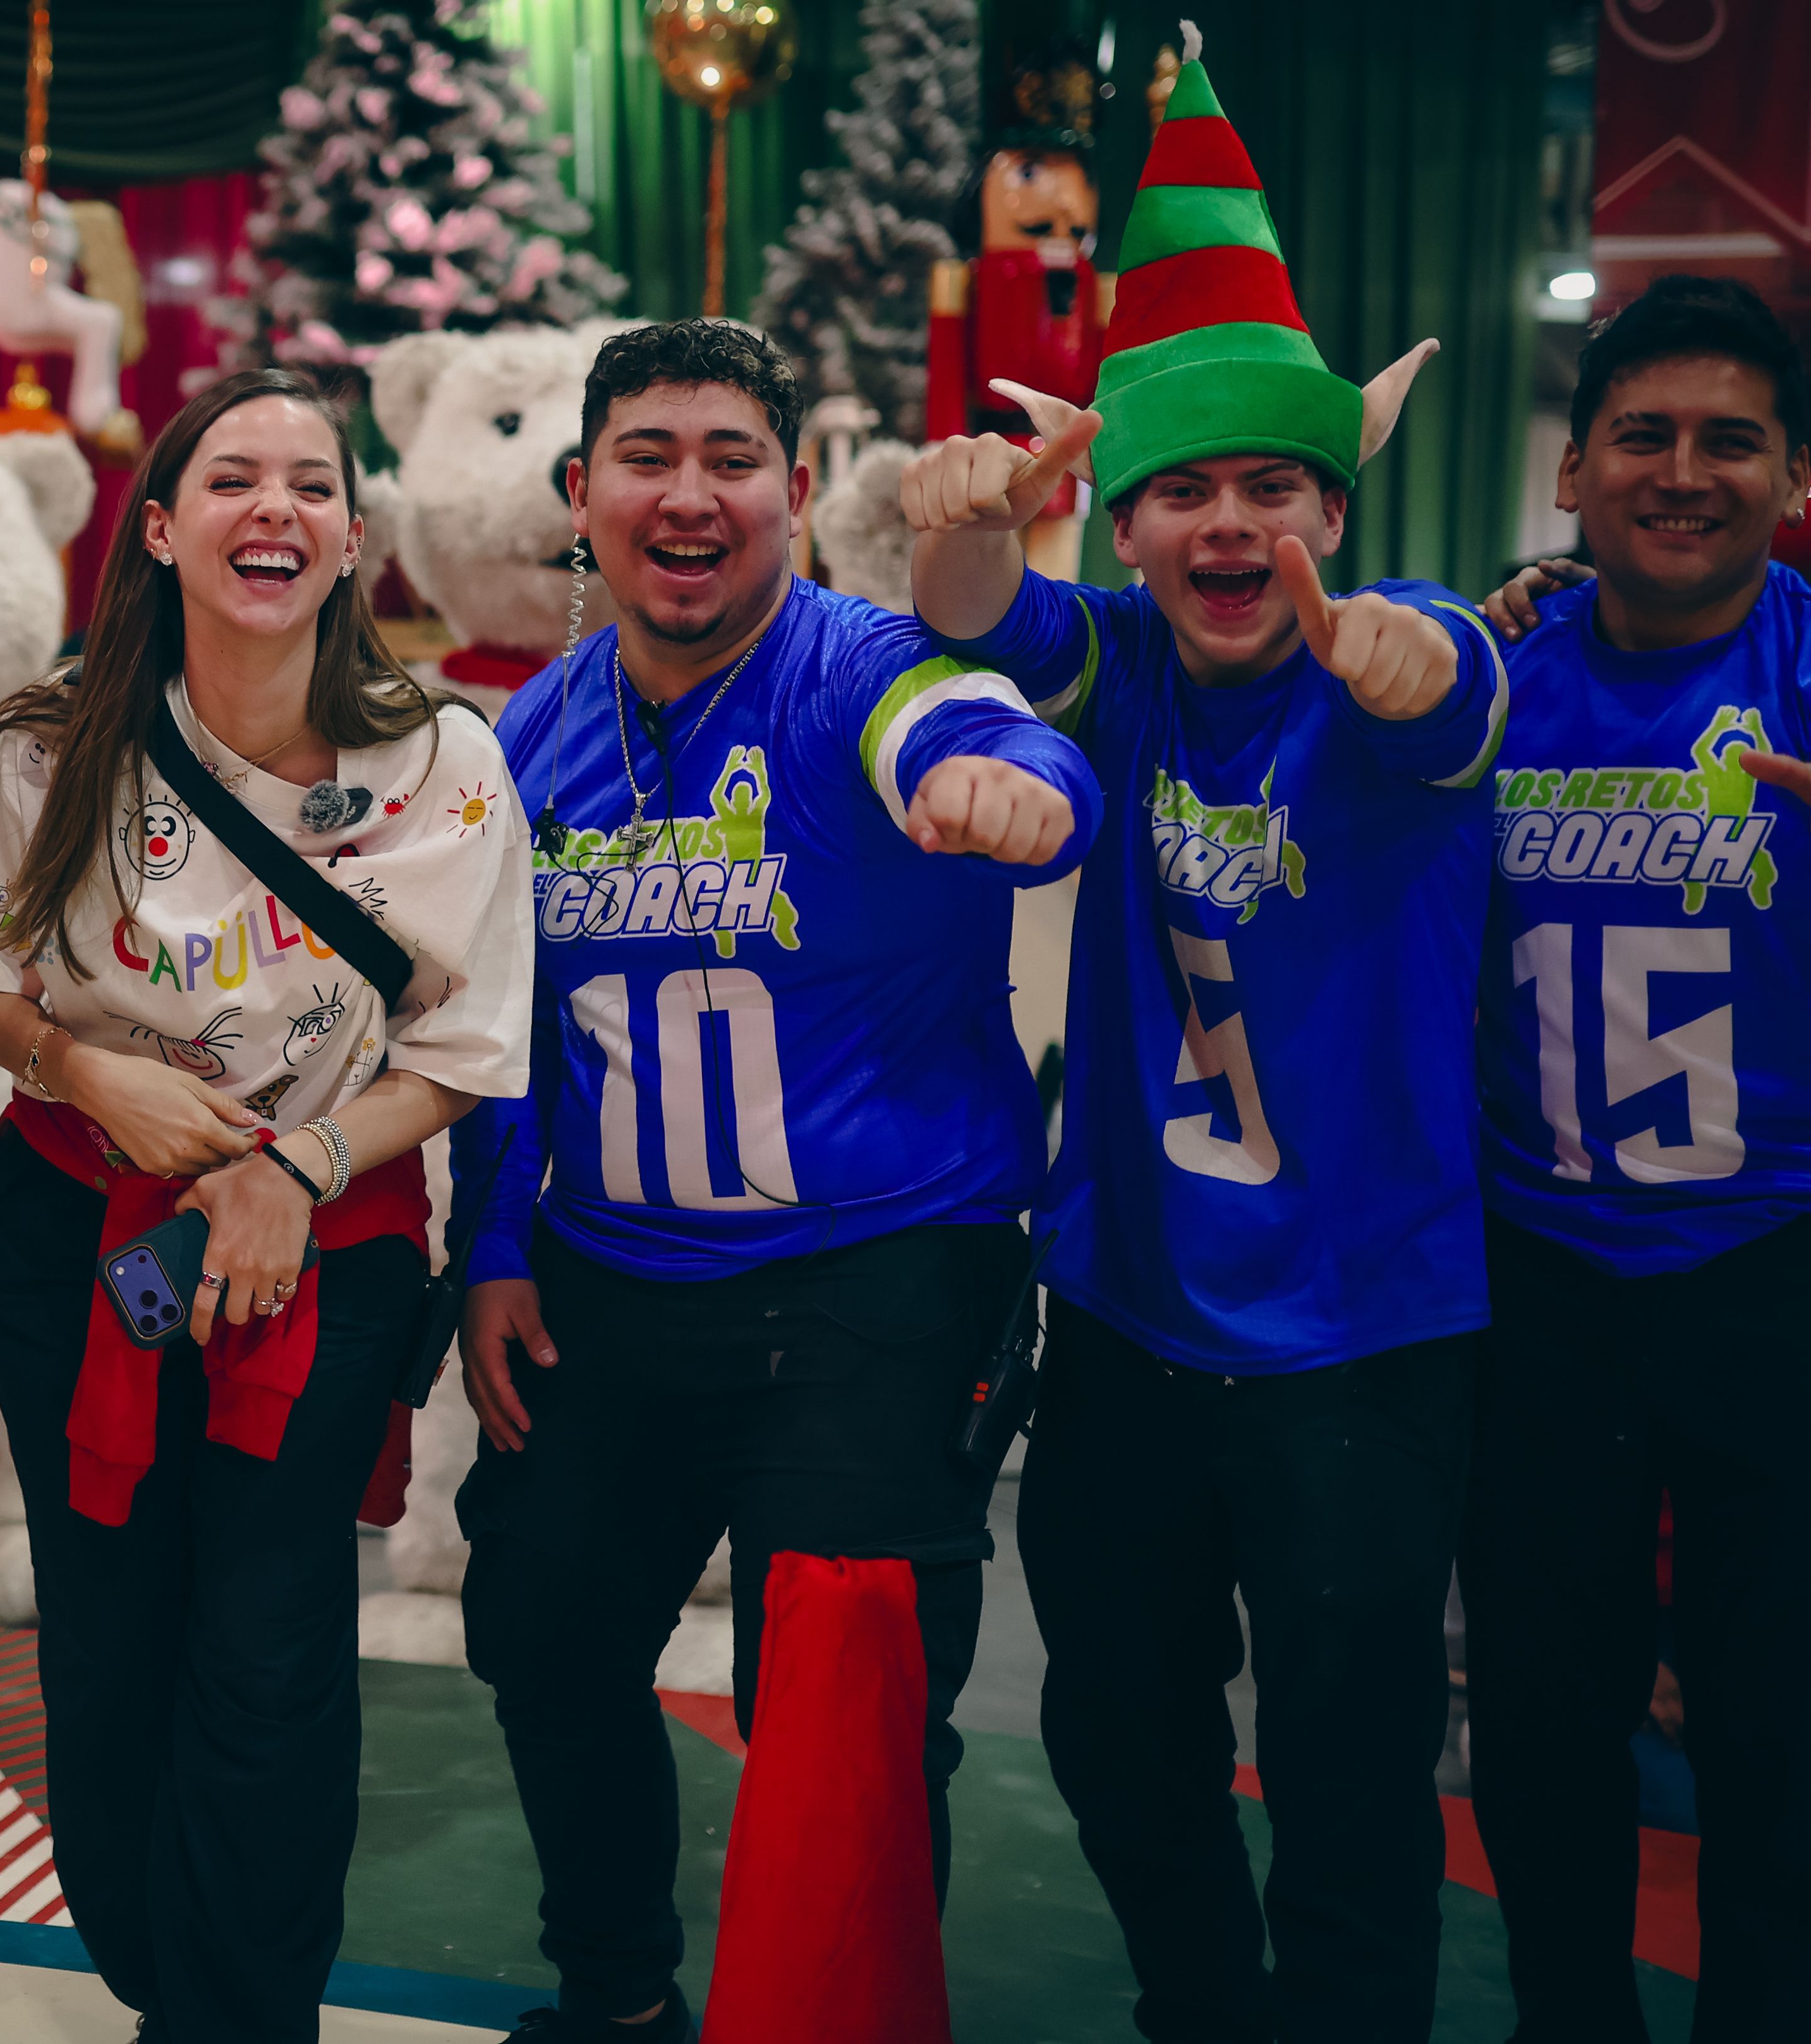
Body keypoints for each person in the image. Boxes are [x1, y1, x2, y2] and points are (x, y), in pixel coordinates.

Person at [897, 39, 1510, 2044]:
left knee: (1348, 1772)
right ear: (1134, 526)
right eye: (1181, 495)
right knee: (1116, 1730)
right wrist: (977, 519)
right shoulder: (1131, 656)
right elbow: (991, 612)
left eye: (1273, 489)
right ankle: (1202, 2013)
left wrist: (1411, 665)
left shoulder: (1399, 646)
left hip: (1363, 1343)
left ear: (1334, 503)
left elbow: (1446, 697)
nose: (1229, 526)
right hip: (1132, 1332)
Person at [448, 318, 1095, 2043]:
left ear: (795, 499)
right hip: (611, 1278)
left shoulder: (864, 667)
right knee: (538, 1625)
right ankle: (616, 1995)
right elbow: (499, 1023)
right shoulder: (525, 738)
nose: (688, 494)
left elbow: (976, 729)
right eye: (645, 457)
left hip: (877, 1281)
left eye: (731, 459)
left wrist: (1006, 781)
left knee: (839, 1691)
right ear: (579, 497)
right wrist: (491, 1247)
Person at [0, 366, 533, 2044]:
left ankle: (235, 2017)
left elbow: (466, 1051)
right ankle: (146, 1960)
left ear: (350, 540)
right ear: (163, 525)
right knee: (104, 1635)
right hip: (75, 1242)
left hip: (317, 1263)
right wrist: (72, 1061)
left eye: (312, 485)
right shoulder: (56, 747)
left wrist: (293, 1167)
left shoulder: (442, 767)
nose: (275, 507)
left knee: (265, 1651)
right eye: (233, 477)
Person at [1461, 274, 1811, 2042]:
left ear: (1790, 473)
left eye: (1728, 440)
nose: (1684, 473)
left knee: (1777, 1724)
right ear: (1574, 471)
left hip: (1773, 1267)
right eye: (1644, 437)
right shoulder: (1488, 673)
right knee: (1537, 1711)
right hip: (1541, 1276)